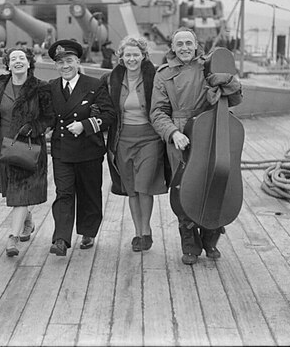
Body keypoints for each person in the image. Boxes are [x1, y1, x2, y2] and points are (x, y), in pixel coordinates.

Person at [150, 27, 242, 265]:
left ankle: (210, 238)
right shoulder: (163, 74)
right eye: (179, 44)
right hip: (181, 135)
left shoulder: (208, 67)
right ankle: (190, 245)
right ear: (172, 48)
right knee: (184, 187)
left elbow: (234, 98)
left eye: (188, 43)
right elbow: (158, 112)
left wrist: (230, 82)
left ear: (195, 45)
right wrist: (173, 133)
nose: (184, 48)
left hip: (210, 131)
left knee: (216, 179)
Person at [47, 39, 115, 256]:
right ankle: (61, 239)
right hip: (62, 151)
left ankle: (88, 231)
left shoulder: (94, 85)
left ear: (78, 61)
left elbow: (109, 115)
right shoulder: (52, 87)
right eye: (60, 63)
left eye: (69, 61)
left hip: (88, 150)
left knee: (89, 193)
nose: (65, 66)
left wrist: (85, 125)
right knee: (64, 193)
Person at [0, 47, 55, 257]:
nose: (17, 61)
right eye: (13, 58)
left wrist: (35, 127)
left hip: (29, 147)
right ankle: (28, 220)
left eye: (22, 58)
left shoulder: (40, 88)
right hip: (2, 146)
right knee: (11, 192)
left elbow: (49, 117)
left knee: (21, 194)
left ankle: (12, 238)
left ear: (29, 63)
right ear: (7, 64)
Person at [102, 36, 168, 252]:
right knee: (131, 189)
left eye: (135, 55)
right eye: (127, 55)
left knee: (144, 186)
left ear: (143, 56)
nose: (131, 59)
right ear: (121, 57)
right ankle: (137, 232)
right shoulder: (112, 79)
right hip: (122, 140)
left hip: (149, 139)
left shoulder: (154, 76)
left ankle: (147, 231)